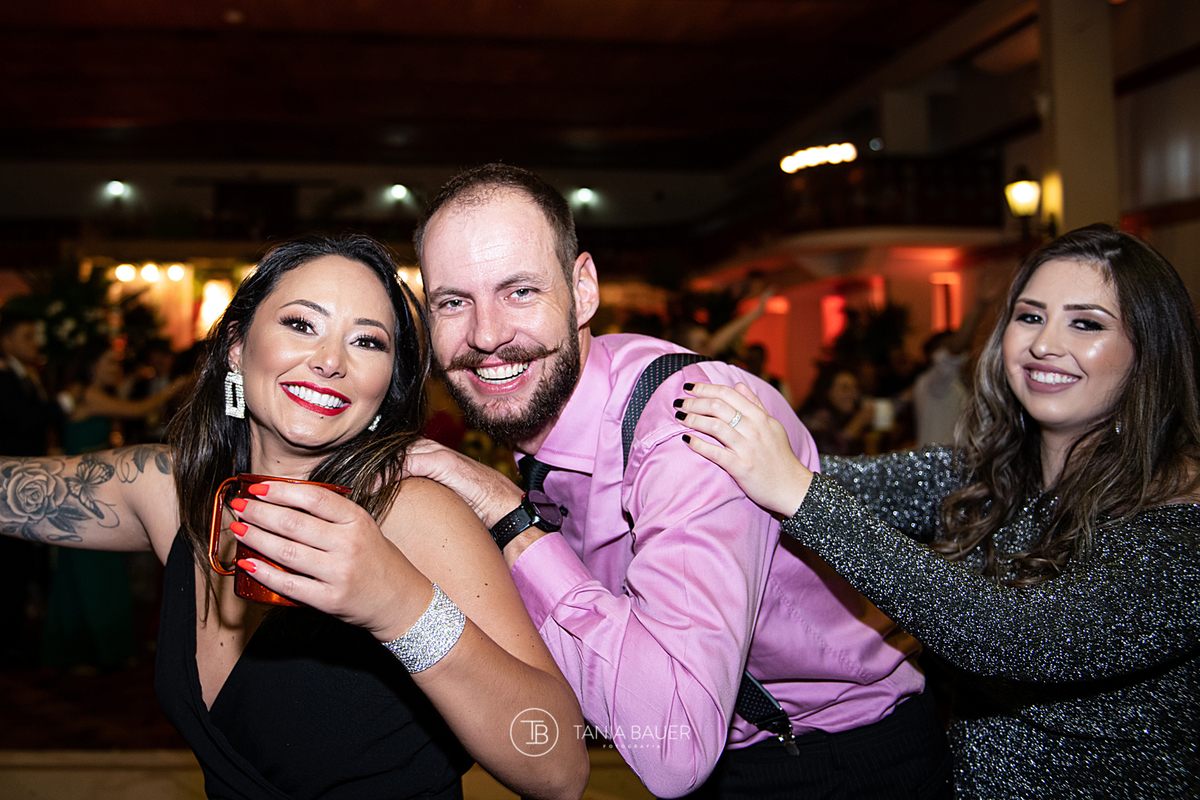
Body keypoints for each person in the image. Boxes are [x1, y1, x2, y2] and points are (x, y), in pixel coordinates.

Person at [407, 163, 951, 799]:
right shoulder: (550, 437)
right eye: (453, 302)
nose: (487, 335)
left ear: (583, 290)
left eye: (519, 291)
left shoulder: (686, 430)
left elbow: (675, 751)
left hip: (840, 761)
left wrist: (510, 519)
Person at [0, 234, 588, 800]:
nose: (330, 360)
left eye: (367, 342)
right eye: (301, 324)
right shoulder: (170, 491)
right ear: (236, 344)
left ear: (387, 385)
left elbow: (560, 768)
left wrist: (399, 606)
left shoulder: (411, 514)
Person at [675, 224, 1200, 798]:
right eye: (1029, 316)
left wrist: (801, 495)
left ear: (1150, 350)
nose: (1045, 343)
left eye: (1086, 323)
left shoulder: (1180, 521)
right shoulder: (987, 472)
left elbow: (1014, 637)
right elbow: (839, 480)